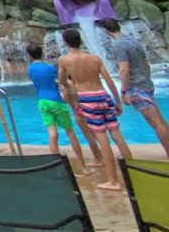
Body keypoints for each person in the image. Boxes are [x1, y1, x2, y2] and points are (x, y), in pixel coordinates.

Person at [57, 28, 133, 190]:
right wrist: (117, 100)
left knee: (102, 139)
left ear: (65, 42)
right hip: (103, 95)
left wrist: (69, 86)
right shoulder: (95, 58)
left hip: (87, 98)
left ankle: (113, 181)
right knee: (117, 135)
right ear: (81, 40)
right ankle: (135, 173)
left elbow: (62, 79)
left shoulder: (64, 60)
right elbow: (109, 81)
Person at [101, 18, 169, 158]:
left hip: (137, 87)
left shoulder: (118, 46)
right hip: (145, 84)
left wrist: (124, 91)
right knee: (160, 120)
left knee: (155, 123)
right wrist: (147, 80)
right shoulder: (134, 41)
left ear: (106, 31)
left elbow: (124, 70)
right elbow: (146, 64)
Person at [26, 43, 93, 175]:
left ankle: (57, 167)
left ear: (30, 55)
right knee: (70, 133)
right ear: (42, 53)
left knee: (52, 134)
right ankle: (83, 167)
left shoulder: (30, 69)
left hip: (42, 102)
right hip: (56, 101)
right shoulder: (50, 68)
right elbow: (63, 81)